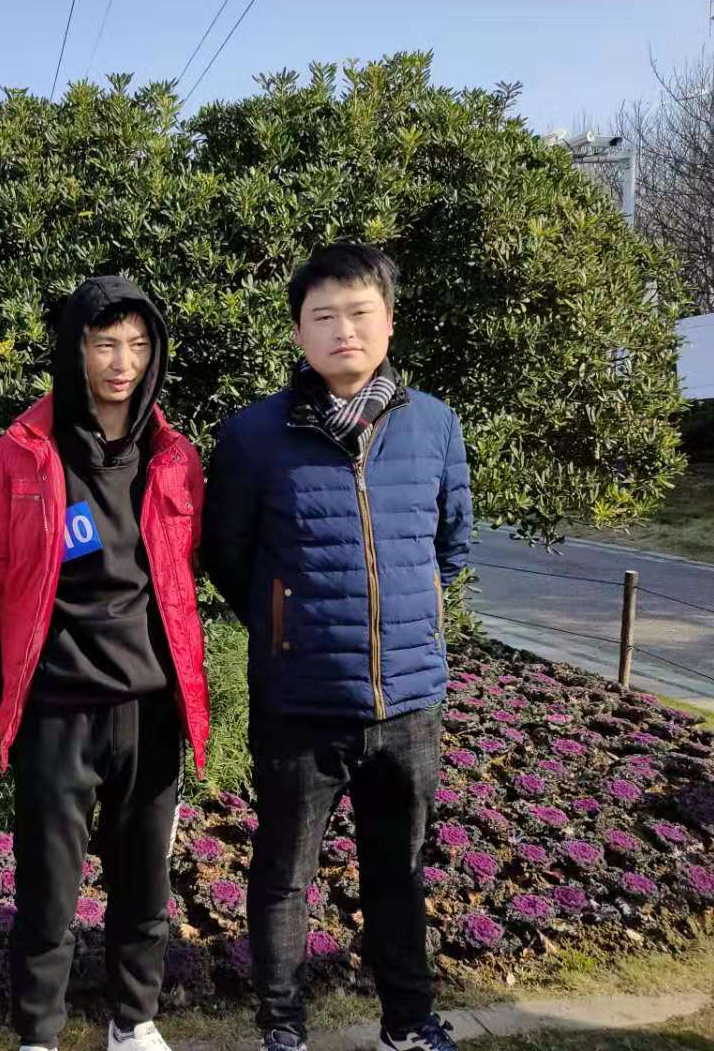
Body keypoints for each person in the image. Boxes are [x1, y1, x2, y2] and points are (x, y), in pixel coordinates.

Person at [202, 243, 472, 1051]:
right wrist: (286, 625)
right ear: (298, 333)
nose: (343, 330)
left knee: (400, 868)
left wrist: (410, 619)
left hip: (409, 702)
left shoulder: (435, 424)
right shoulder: (253, 435)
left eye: (359, 313)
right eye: (323, 316)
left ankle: (408, 1023)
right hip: (300, 700)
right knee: (284, 873)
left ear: (388, 323)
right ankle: (282, 1027)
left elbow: (450, 544)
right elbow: (228, 554)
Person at [0, 275, 210, 1051]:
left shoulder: (175, 459)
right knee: (47, 888)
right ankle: (38, 1033)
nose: (122, 362)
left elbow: (180, 575)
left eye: (138, 346)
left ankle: (132, 1022)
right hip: (58, 710)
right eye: (105, 344)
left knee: (144, 883)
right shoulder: (14, 460)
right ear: (75, 349)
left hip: (150, 709)